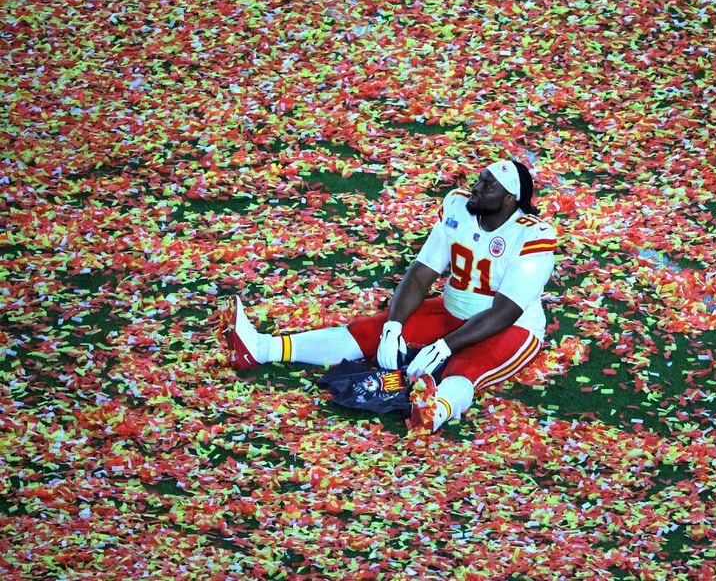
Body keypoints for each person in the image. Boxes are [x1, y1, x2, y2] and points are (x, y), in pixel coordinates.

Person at [226, 159, 558, 431]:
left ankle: (434, 412)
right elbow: (422, 272)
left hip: (511, 328)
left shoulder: (531, 235)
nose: (477, 187)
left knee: (465, 365)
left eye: (489, 186)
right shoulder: (457, 206)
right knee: (368, 331)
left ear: (509, 200)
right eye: (479, 179)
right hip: (451, 309)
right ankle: (261, 349)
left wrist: (444, 346)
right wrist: (393, 327)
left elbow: (505, 312)